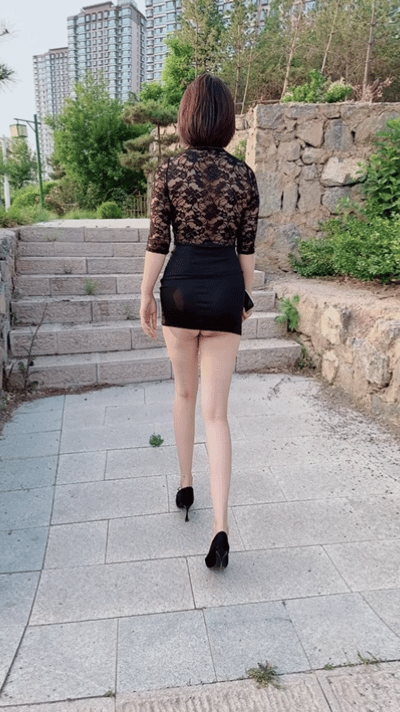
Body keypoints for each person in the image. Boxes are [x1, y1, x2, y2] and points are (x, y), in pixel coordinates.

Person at [140, 74, 259, 570]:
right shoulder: (244, 175)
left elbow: (158, 241)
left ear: (187, 117)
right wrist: (244, 295)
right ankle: (221, 528)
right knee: (218, 415)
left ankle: (186, 484)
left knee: (184, 394)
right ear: (227, 120)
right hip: (225, 288)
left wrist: (145, 293)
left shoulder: (169, 171)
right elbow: (247, 248)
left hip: (180, 291)